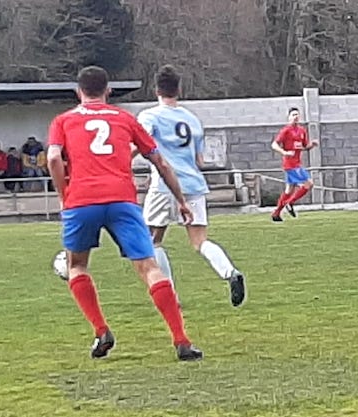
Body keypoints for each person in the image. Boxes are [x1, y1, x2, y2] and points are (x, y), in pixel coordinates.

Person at [47, 65, 203, 360]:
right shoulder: (125, 118)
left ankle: (101, 330)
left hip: (81, 201)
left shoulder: (63, 121)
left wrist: (63, 195)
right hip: (122, 200)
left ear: (78, 91)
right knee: (149, 267)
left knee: (77, 265)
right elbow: (161, 162)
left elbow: (54, 157)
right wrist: (181, 200)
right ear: (108, 91)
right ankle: (181, 340)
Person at [137, 65, 246, 307]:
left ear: (156, 89)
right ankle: (230, 272)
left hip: (165, 185)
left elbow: (141, 145)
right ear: (179, 89)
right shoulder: (192, 120)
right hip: (194, 185)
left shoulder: (149, 116)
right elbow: (199, 160)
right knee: (200, 241)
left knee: (151, 241)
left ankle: (170, 295)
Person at [271, 107, 319, 222]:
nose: (295, 117)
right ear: (289, 117)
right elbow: (274, 144)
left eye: (297, 114)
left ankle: (276, 214)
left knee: (289, 190)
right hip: (291, 165)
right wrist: (284, 152)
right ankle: (290, 203)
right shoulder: (286, 130)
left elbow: (304, 147)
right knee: (309, 183)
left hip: (296, 163)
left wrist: (312, 145)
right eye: (293, 115)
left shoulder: (302, 131)